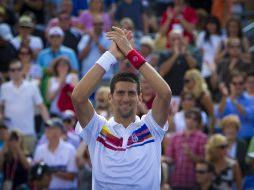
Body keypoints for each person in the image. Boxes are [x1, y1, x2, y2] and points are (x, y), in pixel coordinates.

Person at [72, 26, 172, 189]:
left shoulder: (152, 126)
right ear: (110, 97)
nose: (126, 98)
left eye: (131, 93)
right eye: (120, 93)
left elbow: (165, 93)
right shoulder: (97, 128)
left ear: (140, 98)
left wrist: (131, 53)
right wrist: (110, 55)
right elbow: (78, 97)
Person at [0, 60, 49, 154]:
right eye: (13, 70)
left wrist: (48, 124)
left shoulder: (32, 86)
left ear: (23, 70)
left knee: (28, 163)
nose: (16, 72)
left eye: (18, 69)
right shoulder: (4, 87)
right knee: (10, 166)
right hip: (10, 134)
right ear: (9, 72)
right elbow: (1, 108)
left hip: (28, 132)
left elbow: (41, 107)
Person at [166, 108, 208, 189]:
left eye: (194, 119)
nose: (191, 120)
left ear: (198, 122)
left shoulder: (203, 138)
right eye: (188, 117)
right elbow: (170, 158)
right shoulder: (175, 137)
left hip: (193, 182)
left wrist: (190, 154)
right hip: (176, 180)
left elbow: (204, 161)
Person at [33, 118, 78, 189]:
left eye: (51, 128)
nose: (47, 130)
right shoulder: (40, 150)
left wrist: (48, 170)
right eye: (46, 127)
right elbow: (36, 177)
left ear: (59, 131)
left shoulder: (70, 149)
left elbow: (71, 176)